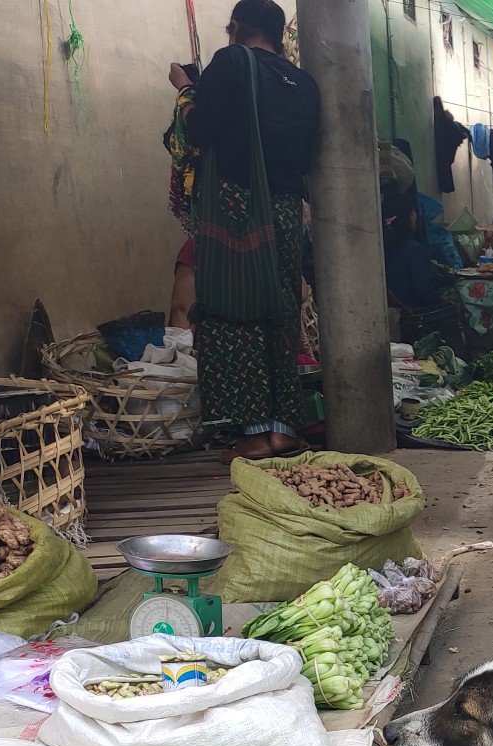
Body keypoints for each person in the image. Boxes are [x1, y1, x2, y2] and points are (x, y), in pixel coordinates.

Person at [182, 0, 320, 460]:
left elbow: (201, 131)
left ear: (237, 27)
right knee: (278, 310)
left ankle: (256, 433)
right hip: (284, 208)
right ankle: (283, 427)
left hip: (235, 204)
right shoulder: (303, 82)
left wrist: (186, 92)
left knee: (232, 308)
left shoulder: (230, 61)